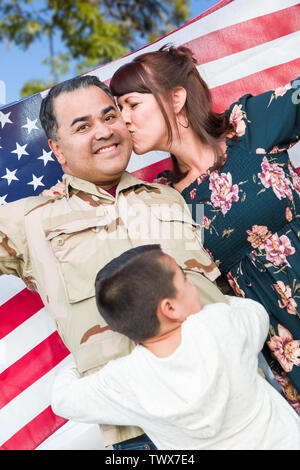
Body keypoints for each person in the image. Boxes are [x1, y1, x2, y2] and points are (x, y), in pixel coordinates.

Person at [0, 74, 227, 450]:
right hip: (144, 435)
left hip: (237, 399)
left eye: (109, 117)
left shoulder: (173, 197)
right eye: (83, 126)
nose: (103, 131)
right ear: (58, 151)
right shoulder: (28, 221)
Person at [109, 44, 300, 412]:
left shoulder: (247, 128)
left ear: (176, 97)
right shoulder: (171, 200)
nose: (124, 120)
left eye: (132, 104)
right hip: (280, 344)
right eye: (119, 109)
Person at [51, 244, 300, 450]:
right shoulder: (218, 324)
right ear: (170, 308)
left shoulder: (125, 379)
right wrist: (220, 306)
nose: (193, 286)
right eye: (185, 280)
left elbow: (62, 400)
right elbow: (255, 313)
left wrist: (79, 359)